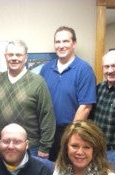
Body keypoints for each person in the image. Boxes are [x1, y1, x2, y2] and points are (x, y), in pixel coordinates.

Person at [0, 40, 55, 158]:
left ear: (26, 57)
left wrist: (45, 146)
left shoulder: (38, 82)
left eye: (18, 55)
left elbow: (47, 116)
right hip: (1, 146)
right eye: (10, 54)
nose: (14, 58)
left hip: (30, 148)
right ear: (5, 56)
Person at [40, 26, 96, 162]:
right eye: (57, 42)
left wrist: (71, 136)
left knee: (67, 172)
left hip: (69, 131)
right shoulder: (46, 68)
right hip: (46, 131)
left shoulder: (84, 70)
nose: (61, 46)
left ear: (74, 43)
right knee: (48, 172)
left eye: (65, 41)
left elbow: (85, 107)